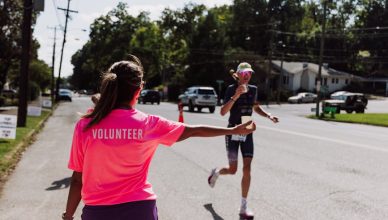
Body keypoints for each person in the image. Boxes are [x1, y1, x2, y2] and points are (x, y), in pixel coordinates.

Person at [62, 55, 256, 220]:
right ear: (138, 90)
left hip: (97, 213)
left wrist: (68, 216)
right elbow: (194, 130)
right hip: (140, 210)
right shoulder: (148, 124)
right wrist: (233, 130)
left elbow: (78, 179)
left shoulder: (86, 125)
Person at [208, 62, 279, 219]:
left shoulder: (253, 89)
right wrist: (236, 95)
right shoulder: (231, 89)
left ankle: (243, 207)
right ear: (239, 75)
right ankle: (217, 172)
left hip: (247, 131)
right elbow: (222, 112)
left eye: (250, 74)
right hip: (232, 131)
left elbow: (256, 107)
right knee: (233, 170)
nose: (248, 76)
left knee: (247, 168)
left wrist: (269, 116)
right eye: (245, 73)